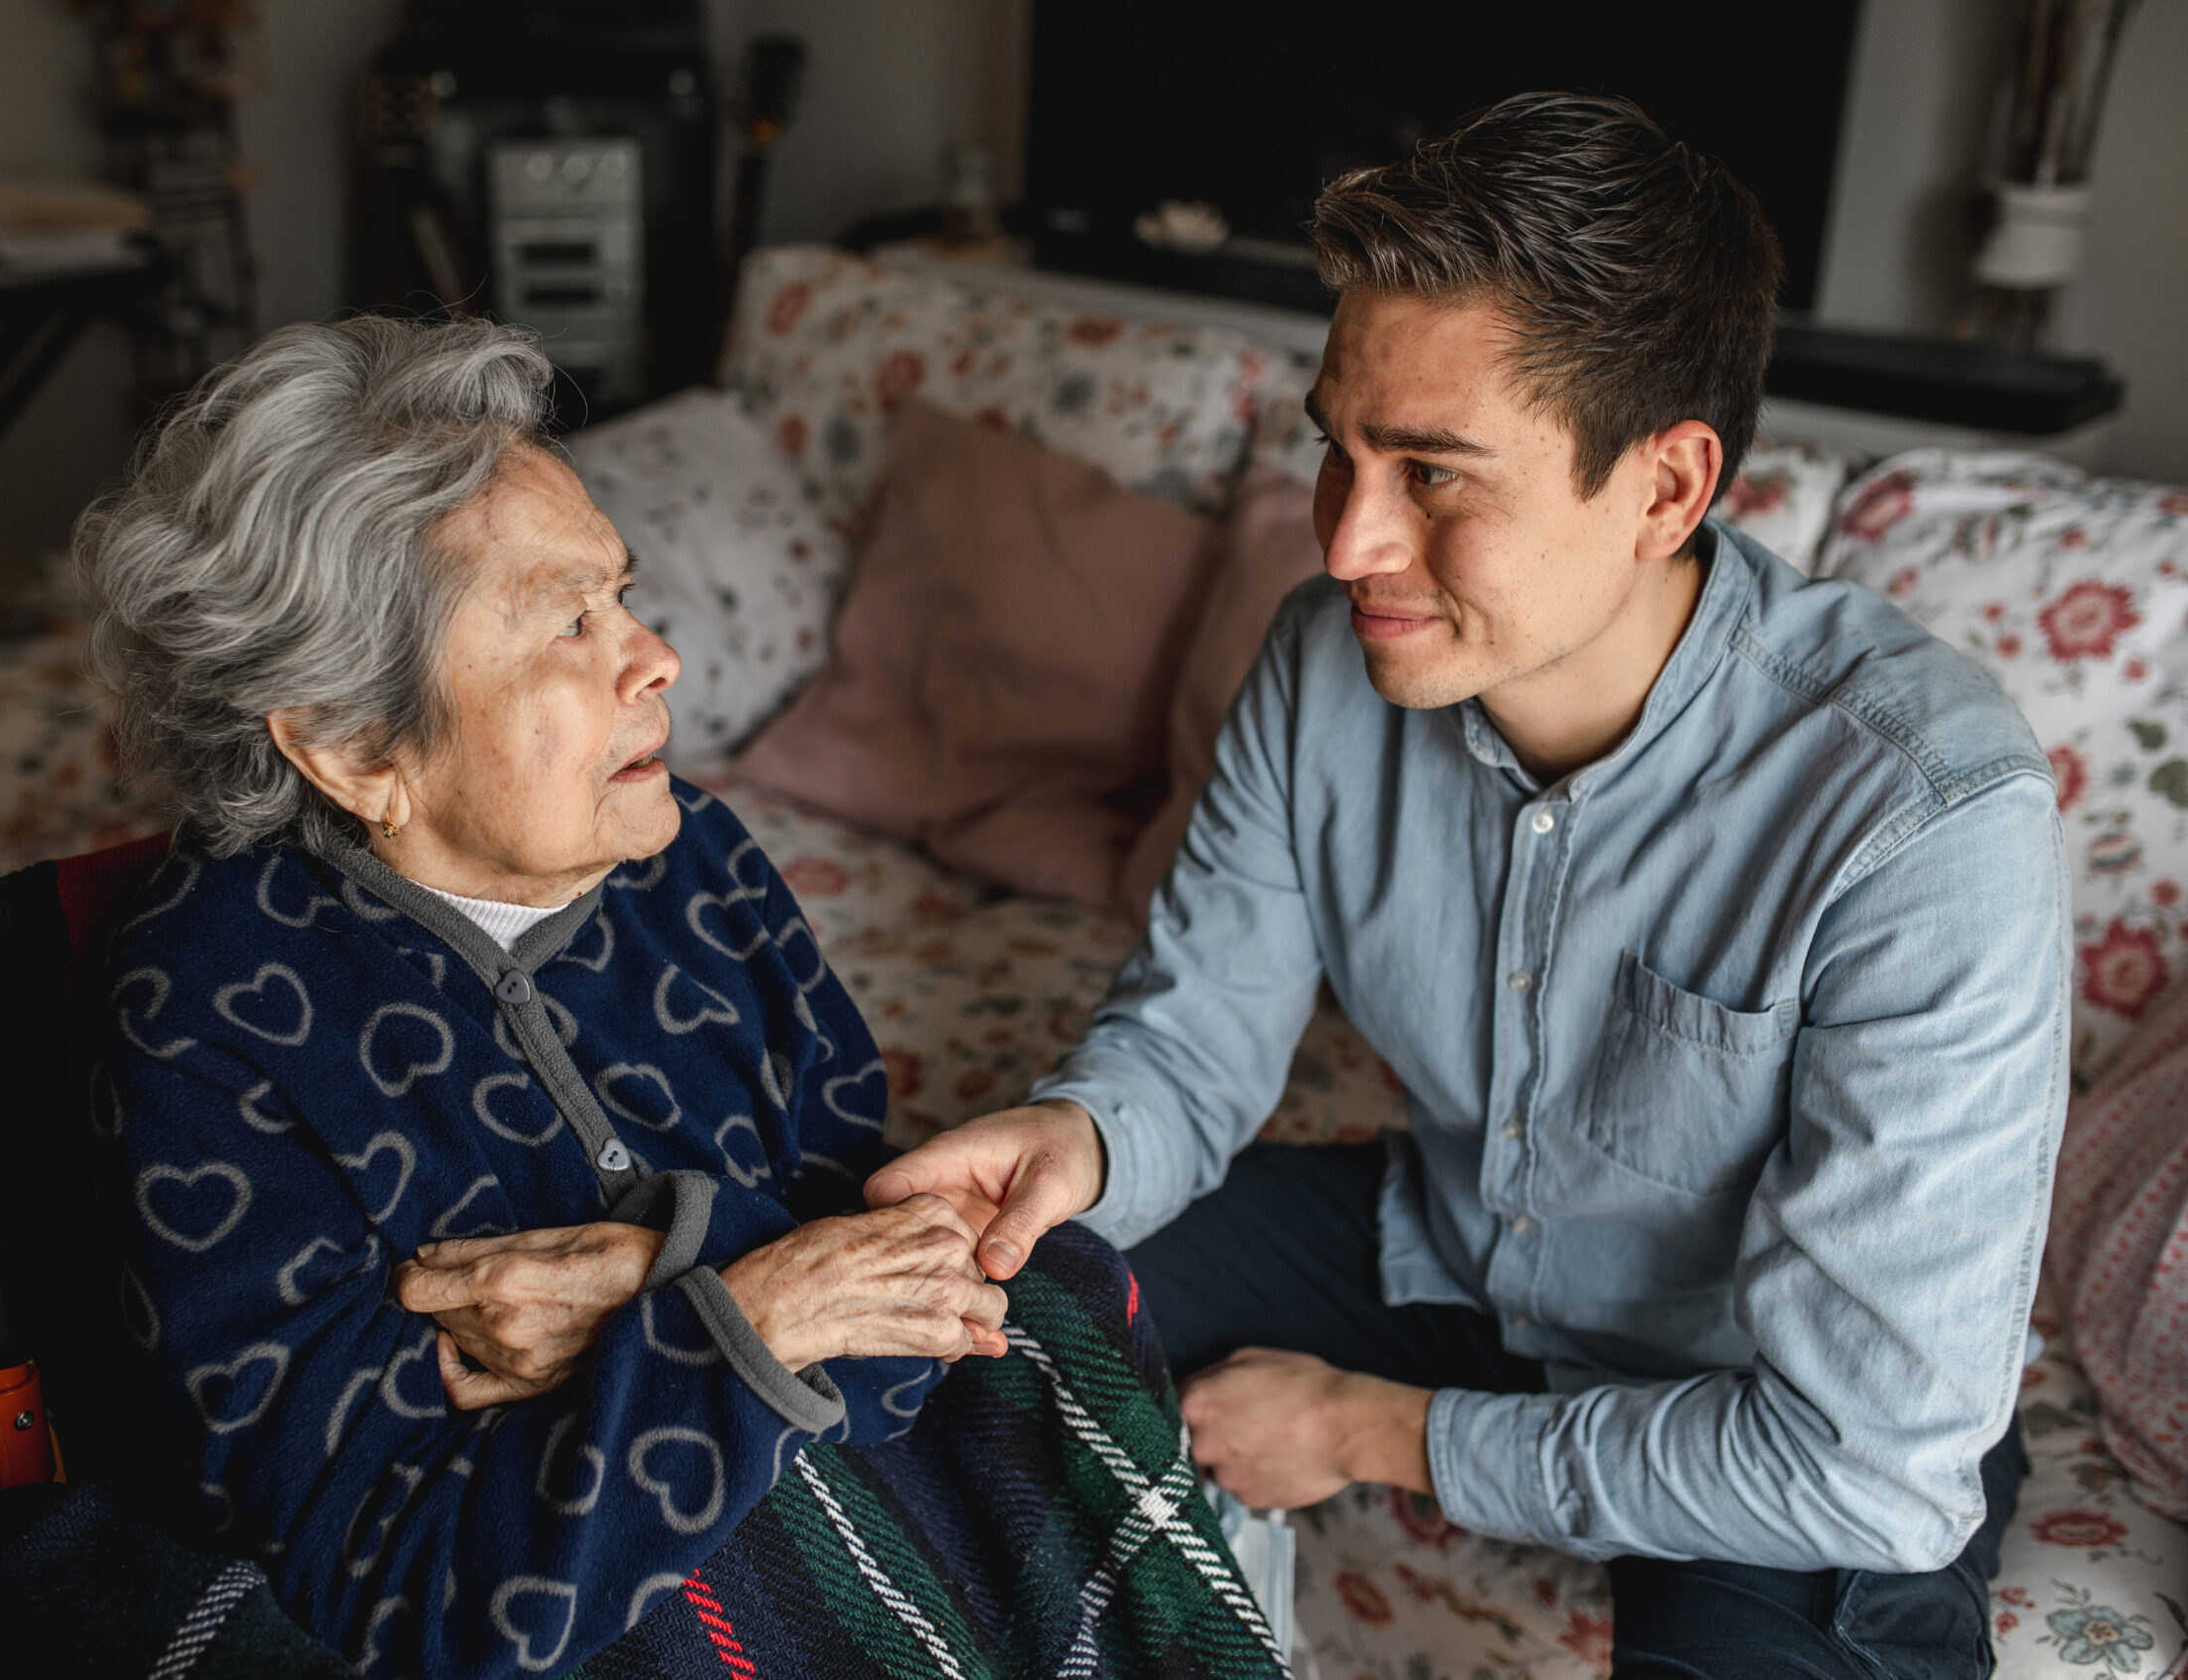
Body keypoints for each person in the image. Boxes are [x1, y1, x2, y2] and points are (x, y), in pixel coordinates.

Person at [873, 93, 2066, 1680]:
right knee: (940, 1318)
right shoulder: (1323, 664)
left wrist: (1374, 1433)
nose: (1353, 538)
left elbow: (1869, 1460)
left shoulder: (1923, 812)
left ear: (1665, 488)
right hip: (1439, 1246)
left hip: (1758, 1385)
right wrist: (1085, 1137)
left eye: (1433, 473)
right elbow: (1193, 1036)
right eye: (1339, 449)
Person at [80, 317, 1287, 1680]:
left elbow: (898, 1288)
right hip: (554, 1593)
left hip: (774, 1475)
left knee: (1052, 1275)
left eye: (628, 597)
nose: (654, 658)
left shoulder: (694, 858)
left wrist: (667, 1279)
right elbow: (402, 1575)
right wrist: (744, 1317)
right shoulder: (211, 1007)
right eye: (572, 622)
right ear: (358, 746)